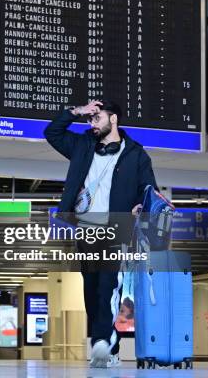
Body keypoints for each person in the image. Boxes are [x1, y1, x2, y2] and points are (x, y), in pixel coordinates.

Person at [44, 100, 157, 368]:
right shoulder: (82, 146)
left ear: (113, 119)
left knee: (108, 286)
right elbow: (52, 133)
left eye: (97, 118)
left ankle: (101, 343)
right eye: (89, 119)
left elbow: (148, 188)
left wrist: (142, 204)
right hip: (86, 228)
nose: (91, 123)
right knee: (91, 289)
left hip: (117, 229)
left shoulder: (136, 154)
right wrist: (76, 112)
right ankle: (109, 346)